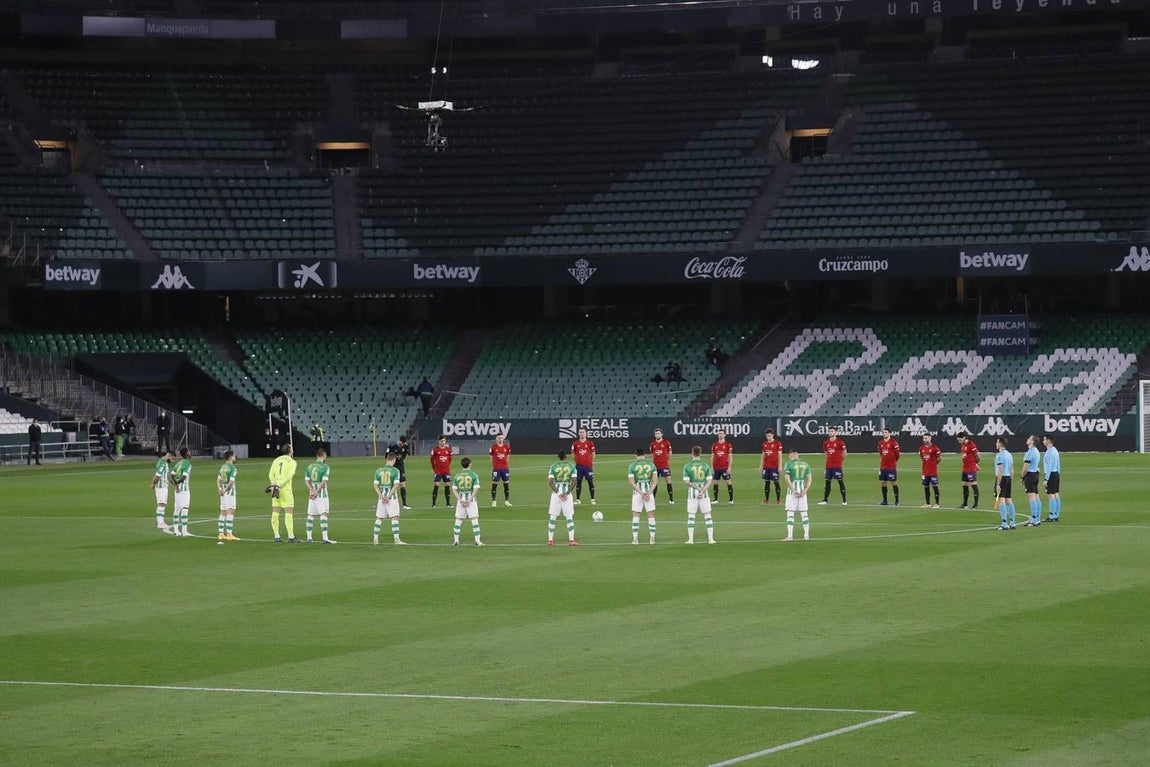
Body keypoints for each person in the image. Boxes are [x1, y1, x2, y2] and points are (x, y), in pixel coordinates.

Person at [682, 445, 715, 544]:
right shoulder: (705, 465)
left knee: (691, 515)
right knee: (707, 515)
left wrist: (697, 489)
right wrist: (702, 490)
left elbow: (686, 481)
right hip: (704, 492)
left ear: (692, 453)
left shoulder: (687, 466)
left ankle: (690, 539)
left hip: (692, 493)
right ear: (700, 453)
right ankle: (710, 539)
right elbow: (709, 481)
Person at [373, 452, 406, 545]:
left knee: (379, 517)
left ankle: (375, 538)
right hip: (392, 498)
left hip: (381, 498)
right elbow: (396, 485)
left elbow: (375, 485)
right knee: (394, 517)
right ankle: (396, 539)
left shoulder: (378, 470)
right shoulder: (395, 471)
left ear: (386, 459)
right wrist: (388, 496)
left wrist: (381, 496)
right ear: (394, 460)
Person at [268, 442, 298, 543]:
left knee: (275, 512)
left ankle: (276, 536)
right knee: (288, 513)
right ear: (290, 451)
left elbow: (271, 474)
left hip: (275, 490)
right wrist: (281, 484)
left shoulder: (276, 460)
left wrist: (273, 485)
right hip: (285, 489)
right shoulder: (292, 462)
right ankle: (291, 536)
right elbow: (290, 475)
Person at [547, 450, 578, 546]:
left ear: (558, 457)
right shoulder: (571, 466)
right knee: (569, 517)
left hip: (556, 495)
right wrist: (567, 493)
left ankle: (550, 540)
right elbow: (574, 481)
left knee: (553, 517)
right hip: (567, 495)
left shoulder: (553, 466)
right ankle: (571, 540)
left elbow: (550, 482)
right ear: (565, 457)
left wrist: (558, 493)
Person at [305, 448, 336, 544]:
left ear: (317, 456)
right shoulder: (325, 467)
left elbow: (306, 481)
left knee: (311, 515)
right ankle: (325, 538)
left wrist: (312, 491)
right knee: (324, 514)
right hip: (321, 494)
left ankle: (309, 538)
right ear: (324, 455)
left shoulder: (309, 466)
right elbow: (324, 481)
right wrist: (317, 491)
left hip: (312, 494)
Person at [628, 448, 658, 545]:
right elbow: (655, 481)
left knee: (636, 514)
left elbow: (631, 482)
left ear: (635, 455)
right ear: (644, 455)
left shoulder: (632, 465)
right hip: (649, 493)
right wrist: (649, 492)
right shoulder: (651, 465)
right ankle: (652, 538)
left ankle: (635, 539)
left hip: (637, 493)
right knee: (651, 514)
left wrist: (641, 493)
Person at [452, 456, 484, 546]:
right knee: (474, 520)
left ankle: (456, 540)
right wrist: (469, 499)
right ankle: (477, 541)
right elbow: (476, 488)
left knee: (458, 520)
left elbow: (454, 489)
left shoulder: (457, 475)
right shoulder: (473, 474)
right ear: (470, 464)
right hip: (471, 500)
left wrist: (460, 500)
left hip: (461, 499)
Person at [782, 449, 813, 541]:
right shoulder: (805, 464)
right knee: (804, 513)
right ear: (797, 455)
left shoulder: (788, 464)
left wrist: (793, 490)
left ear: (790, 455)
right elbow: (809, 479)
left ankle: (790, 536)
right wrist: (805, 490)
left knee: (790, 512)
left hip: (792, 491)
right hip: (802, 491)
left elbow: (787, 478)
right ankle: (806, 535)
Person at [818, 426, 848, 505]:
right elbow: (826, 453)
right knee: (827, 483)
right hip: (828, 466)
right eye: (829, 431)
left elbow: (845, 454)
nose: (830, 433)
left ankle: (844, 500)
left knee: (840, 482)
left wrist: (839, 461)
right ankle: (825, 500)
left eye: (832, 431)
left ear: (835, 432)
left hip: (837, 466)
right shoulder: (826, 443)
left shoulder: (840, 442)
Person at [169, 447, 192, 537]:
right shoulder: (187, 464)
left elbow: (171, 477)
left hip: (177, 490)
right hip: (184, 490)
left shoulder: (178, 463)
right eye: (189, 451)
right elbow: (184, 477)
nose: (190, 453)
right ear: (186, 453)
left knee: (177, 509)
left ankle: (176, 530)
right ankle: (184, 531)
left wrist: (175, 486)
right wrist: (178, 484)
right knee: (185, 509)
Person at [216, 450, 238, 543]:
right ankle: (229, 534)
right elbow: (231, 482)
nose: (235, 458)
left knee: (223, 512)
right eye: (234, 456)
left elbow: (218, 480)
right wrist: (225, 491)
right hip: (229, 492)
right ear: (231, 457)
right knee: (230, 511)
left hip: (223, 492)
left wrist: (220, 489)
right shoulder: (233, 468)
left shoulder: (223, 467)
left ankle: (220, 533)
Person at [994, 437, 1016, 531]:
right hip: (1008, 478)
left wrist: (998, 483)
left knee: (1001, 500)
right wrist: (1010, 479)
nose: (996, 444)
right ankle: (1012, 522)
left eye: (997, 442)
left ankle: (1004, 523)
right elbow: (1012, 469)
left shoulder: (999, 455)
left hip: (1002, 477)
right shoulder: (1009, 454)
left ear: (1000, 443)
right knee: (1009, 499)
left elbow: (1000, 470)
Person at [385, 434, 412, 509]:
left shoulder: (405, 446)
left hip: (401, 467)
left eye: (403, 443)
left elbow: (404, 456)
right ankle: (385, 500)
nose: (402, 444)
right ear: (399, 440)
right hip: (393, 467)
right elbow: (386, 456)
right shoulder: (392, 446)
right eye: (401, 443)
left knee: (403, 484)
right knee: (391, 485)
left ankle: (404, 504)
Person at [572, 427, 597, 505]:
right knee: (578, 482)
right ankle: (578, 499)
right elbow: (573, 454)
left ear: (586, 433)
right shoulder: (575, 443)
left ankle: (592, 499)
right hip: (579, 467)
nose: (582, 434)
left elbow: (593, 454)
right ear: (578, 433)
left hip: (588, 467)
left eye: (583, 432)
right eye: (580, 432)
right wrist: (577, 461)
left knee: (590, 482)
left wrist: (589, 461)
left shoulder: (590, 443)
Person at [1021, 435, 1042, 527]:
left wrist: (1022, 476)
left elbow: (1026, 466)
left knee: (1032, 497)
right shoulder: (1036, 451)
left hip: (1030, 475)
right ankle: (1037, 518)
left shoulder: (1030, 452)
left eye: (1029, 438)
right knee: (1036, 496)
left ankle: (1034, 520)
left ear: (1032, 441)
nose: (1027, 439)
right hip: (1035, 474)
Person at [151, 450, 175, 531]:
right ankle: (160, 523)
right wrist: (153, 484)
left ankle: (162, 522)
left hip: (164, 487)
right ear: (169, 455)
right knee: (161, 504)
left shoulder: (164, 463)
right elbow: (157, 475)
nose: (172, 461)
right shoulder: (162, 463)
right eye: (172, 459)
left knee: (163, 504)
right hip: (161, 487)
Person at [649, 427, 674, 503]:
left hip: (664, 465)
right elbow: (652, 454)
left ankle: (671, 499)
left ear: (662, 434)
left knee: (668, 481)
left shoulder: (666, 442)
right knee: (655, 482)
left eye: (658, 433)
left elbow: (670, 452)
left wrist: (668, 461)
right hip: (655, 466)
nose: (657, 435)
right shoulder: (652, 444)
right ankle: (653, 499)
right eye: (656, 434)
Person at [877, 427, 901, 507]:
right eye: (883, 432)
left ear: (889, 433)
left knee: (893, 482)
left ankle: (897, 501)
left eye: (886, 432)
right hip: (883, 466)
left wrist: (893, 461)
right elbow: (881, 453)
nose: (884, 434)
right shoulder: (880, 443)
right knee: (883, 483)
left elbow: (897, 455)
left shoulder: (893, 442)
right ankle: (885, 501)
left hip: (891, 467)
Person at [710, 428, 734, 504]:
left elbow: (730, 457)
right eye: (719, 433)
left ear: (725, 435)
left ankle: (731, 500)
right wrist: (712, 466)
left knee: (728, 482)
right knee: (715, 482)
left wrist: (729, 467)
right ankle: (715, 499)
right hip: (716, 467)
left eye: (721, 434)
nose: (720, 435)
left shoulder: (728, 445)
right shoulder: (714, 445)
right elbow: (712, 456)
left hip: (724, 467)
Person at [760, 428, 783, 505]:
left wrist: (780, 466)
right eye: (767, 436)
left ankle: (778, 500)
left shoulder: (777, 443)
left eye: (769, 436)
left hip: (774, 466)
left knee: (776, 482)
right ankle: (766, 500)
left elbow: (780, 455)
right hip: (766, 466)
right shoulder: (764, 444)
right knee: (767, 482)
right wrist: (761, 466)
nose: (768, 437)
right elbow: (763, 455)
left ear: (772, 435)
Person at [958, 433, 981, 509]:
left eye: (960, 440)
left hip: (971, 468)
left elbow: (978, 456)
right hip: (964, 469)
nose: (959, 441)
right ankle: (965, 504)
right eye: (958, 440)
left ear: (964, 438)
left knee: (974, 485)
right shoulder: (962, 445)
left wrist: (975, 464)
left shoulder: (971, 444)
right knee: (964, 485)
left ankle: (975, 505)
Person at [918, 434, 942, 508]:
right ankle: (927, 503)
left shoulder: (935, 448)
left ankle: (937, 503)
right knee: (926, 487)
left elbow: (939, 458)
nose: (924, 440)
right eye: (923, 438)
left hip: (933, 471)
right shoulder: (921, 448)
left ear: (930, 438)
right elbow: (922, 457)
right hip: (925, 471)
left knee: (935, 486)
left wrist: (934, 464)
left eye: (926, 438)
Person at [430, 434, 454, 508]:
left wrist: (447, 467)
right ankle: (433, 504)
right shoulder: (435, 450)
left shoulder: (448, 450)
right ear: (439, 441)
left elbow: (450, 460)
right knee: (436, 485)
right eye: (441, 441)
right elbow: (432, 461)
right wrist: (435, 469)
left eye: (444, 441)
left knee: (447, 485)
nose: (443, 442)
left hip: (446, 471)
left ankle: (448, 503)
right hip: (438, 471)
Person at [1042, 434, 1062, 522]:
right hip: (1056, 473)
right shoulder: (1055, 450)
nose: (1043, 441)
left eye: (1044, 439)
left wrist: (1046, 479)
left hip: (1051, 474)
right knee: (1056, 494)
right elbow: (1058, 465)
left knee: (1051, 495)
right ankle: (1056, 515)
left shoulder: (1050, 452)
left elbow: (1049, 466)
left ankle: (1052, 515)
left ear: (1048, 440)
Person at [489, 433, 512, 507]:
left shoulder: (506, 447)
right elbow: (491, 457)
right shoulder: (493, 447)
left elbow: (507, 457)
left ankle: (506, 501)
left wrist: (504, 464)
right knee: (494, 485)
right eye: (499, 438)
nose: (500, 439)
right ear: (496, 439)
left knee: (506, 485)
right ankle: (494, 501)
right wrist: (494, 465)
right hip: (496, 469)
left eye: (501, 438)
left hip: (505, 469)